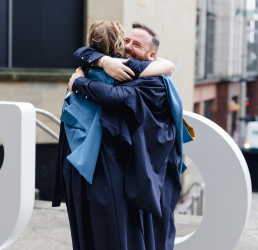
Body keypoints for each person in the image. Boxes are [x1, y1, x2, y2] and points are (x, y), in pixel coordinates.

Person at [53, 21, 184, 250]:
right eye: (126, 41)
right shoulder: (110, 65)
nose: (128, 46)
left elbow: (116, 96)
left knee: (150, 231)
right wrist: (105, 61)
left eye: (136, 44)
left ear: (151, 55)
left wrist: (79, 82)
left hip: (152, 168)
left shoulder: (152, 80)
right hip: (113, 166)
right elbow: (81, 52)